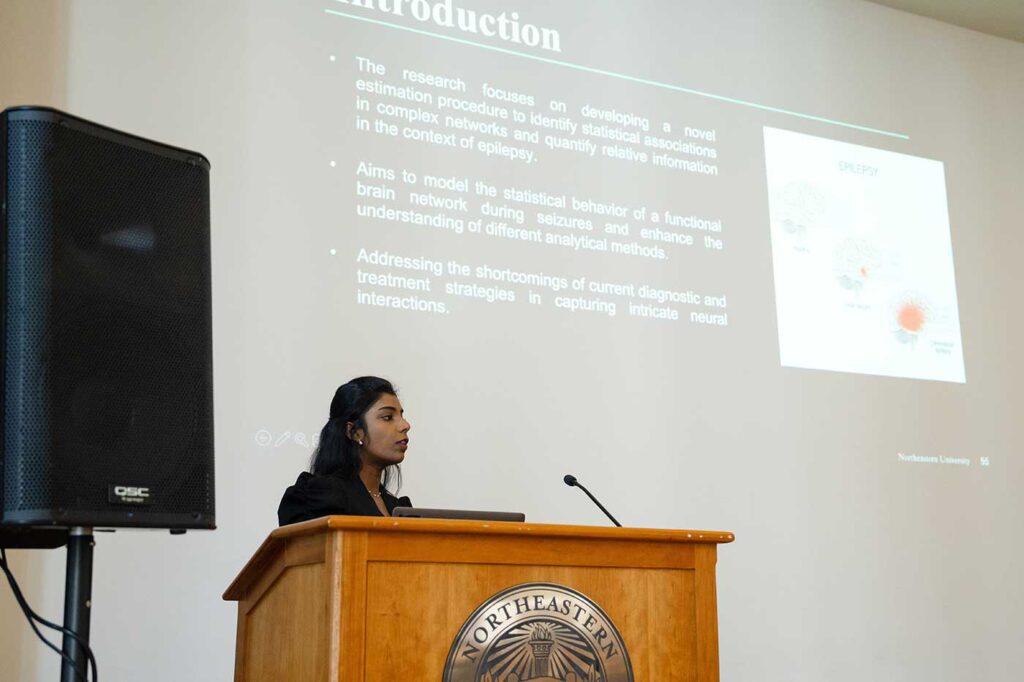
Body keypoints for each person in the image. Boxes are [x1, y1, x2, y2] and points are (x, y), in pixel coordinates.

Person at [277, 376, 411, 525]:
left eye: (401, 415)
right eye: (388, 417)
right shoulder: (320, 497)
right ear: (354, 432)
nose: (405, 425)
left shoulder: (398, 508)